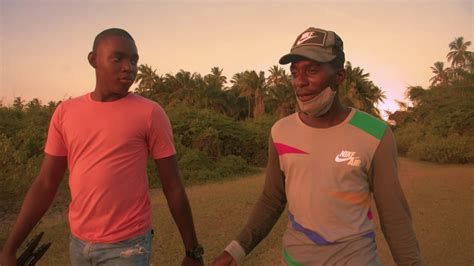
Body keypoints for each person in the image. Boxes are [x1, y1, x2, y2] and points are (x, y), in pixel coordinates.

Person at [212, 27, 421, 265]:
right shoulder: (280, 131)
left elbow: (394, 216)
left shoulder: (375, 134)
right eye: (294, 72)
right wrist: (236, 250)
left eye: (312, 70)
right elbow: (272, 199)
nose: (300, 82)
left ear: (339, 76)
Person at [0, 28, 204, 266]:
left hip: (127, 248)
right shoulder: (66, 113)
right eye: (118, 58)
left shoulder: (150, 113)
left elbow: (173, 186)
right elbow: (46, 183)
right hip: (79, 244)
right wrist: (10, 248)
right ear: (93, 60)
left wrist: (193, 252)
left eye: (134, 60)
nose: (129, 67)